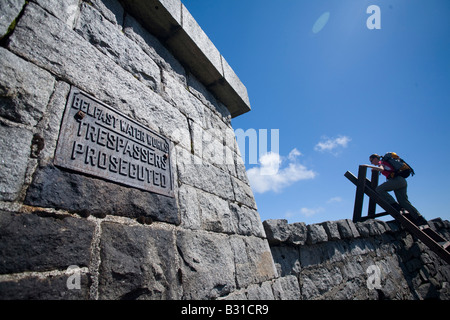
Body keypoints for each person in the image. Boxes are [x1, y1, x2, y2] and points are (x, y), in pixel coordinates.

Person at [363, 154, 428, 226]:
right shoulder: (386, 162)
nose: (371, 163)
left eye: (371, 161)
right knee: (403, 202)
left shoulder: (381, 162)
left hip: (396, 180)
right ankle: (420, 219)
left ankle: (395, 205)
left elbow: (381, 169)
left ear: (375, 158)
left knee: (379, 189)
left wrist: (368, 166)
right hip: (402, 181)